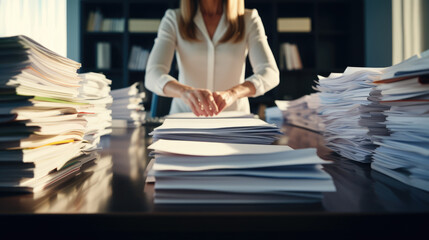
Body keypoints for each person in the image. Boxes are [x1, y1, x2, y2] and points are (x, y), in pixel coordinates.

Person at [145, 0, 279, 117]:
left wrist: (233, 93)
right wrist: (184, 91)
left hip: (234, 121)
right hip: (184, 119)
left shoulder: (249, 19)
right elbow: (152, 74)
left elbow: (270, 73)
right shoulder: (174, 18)